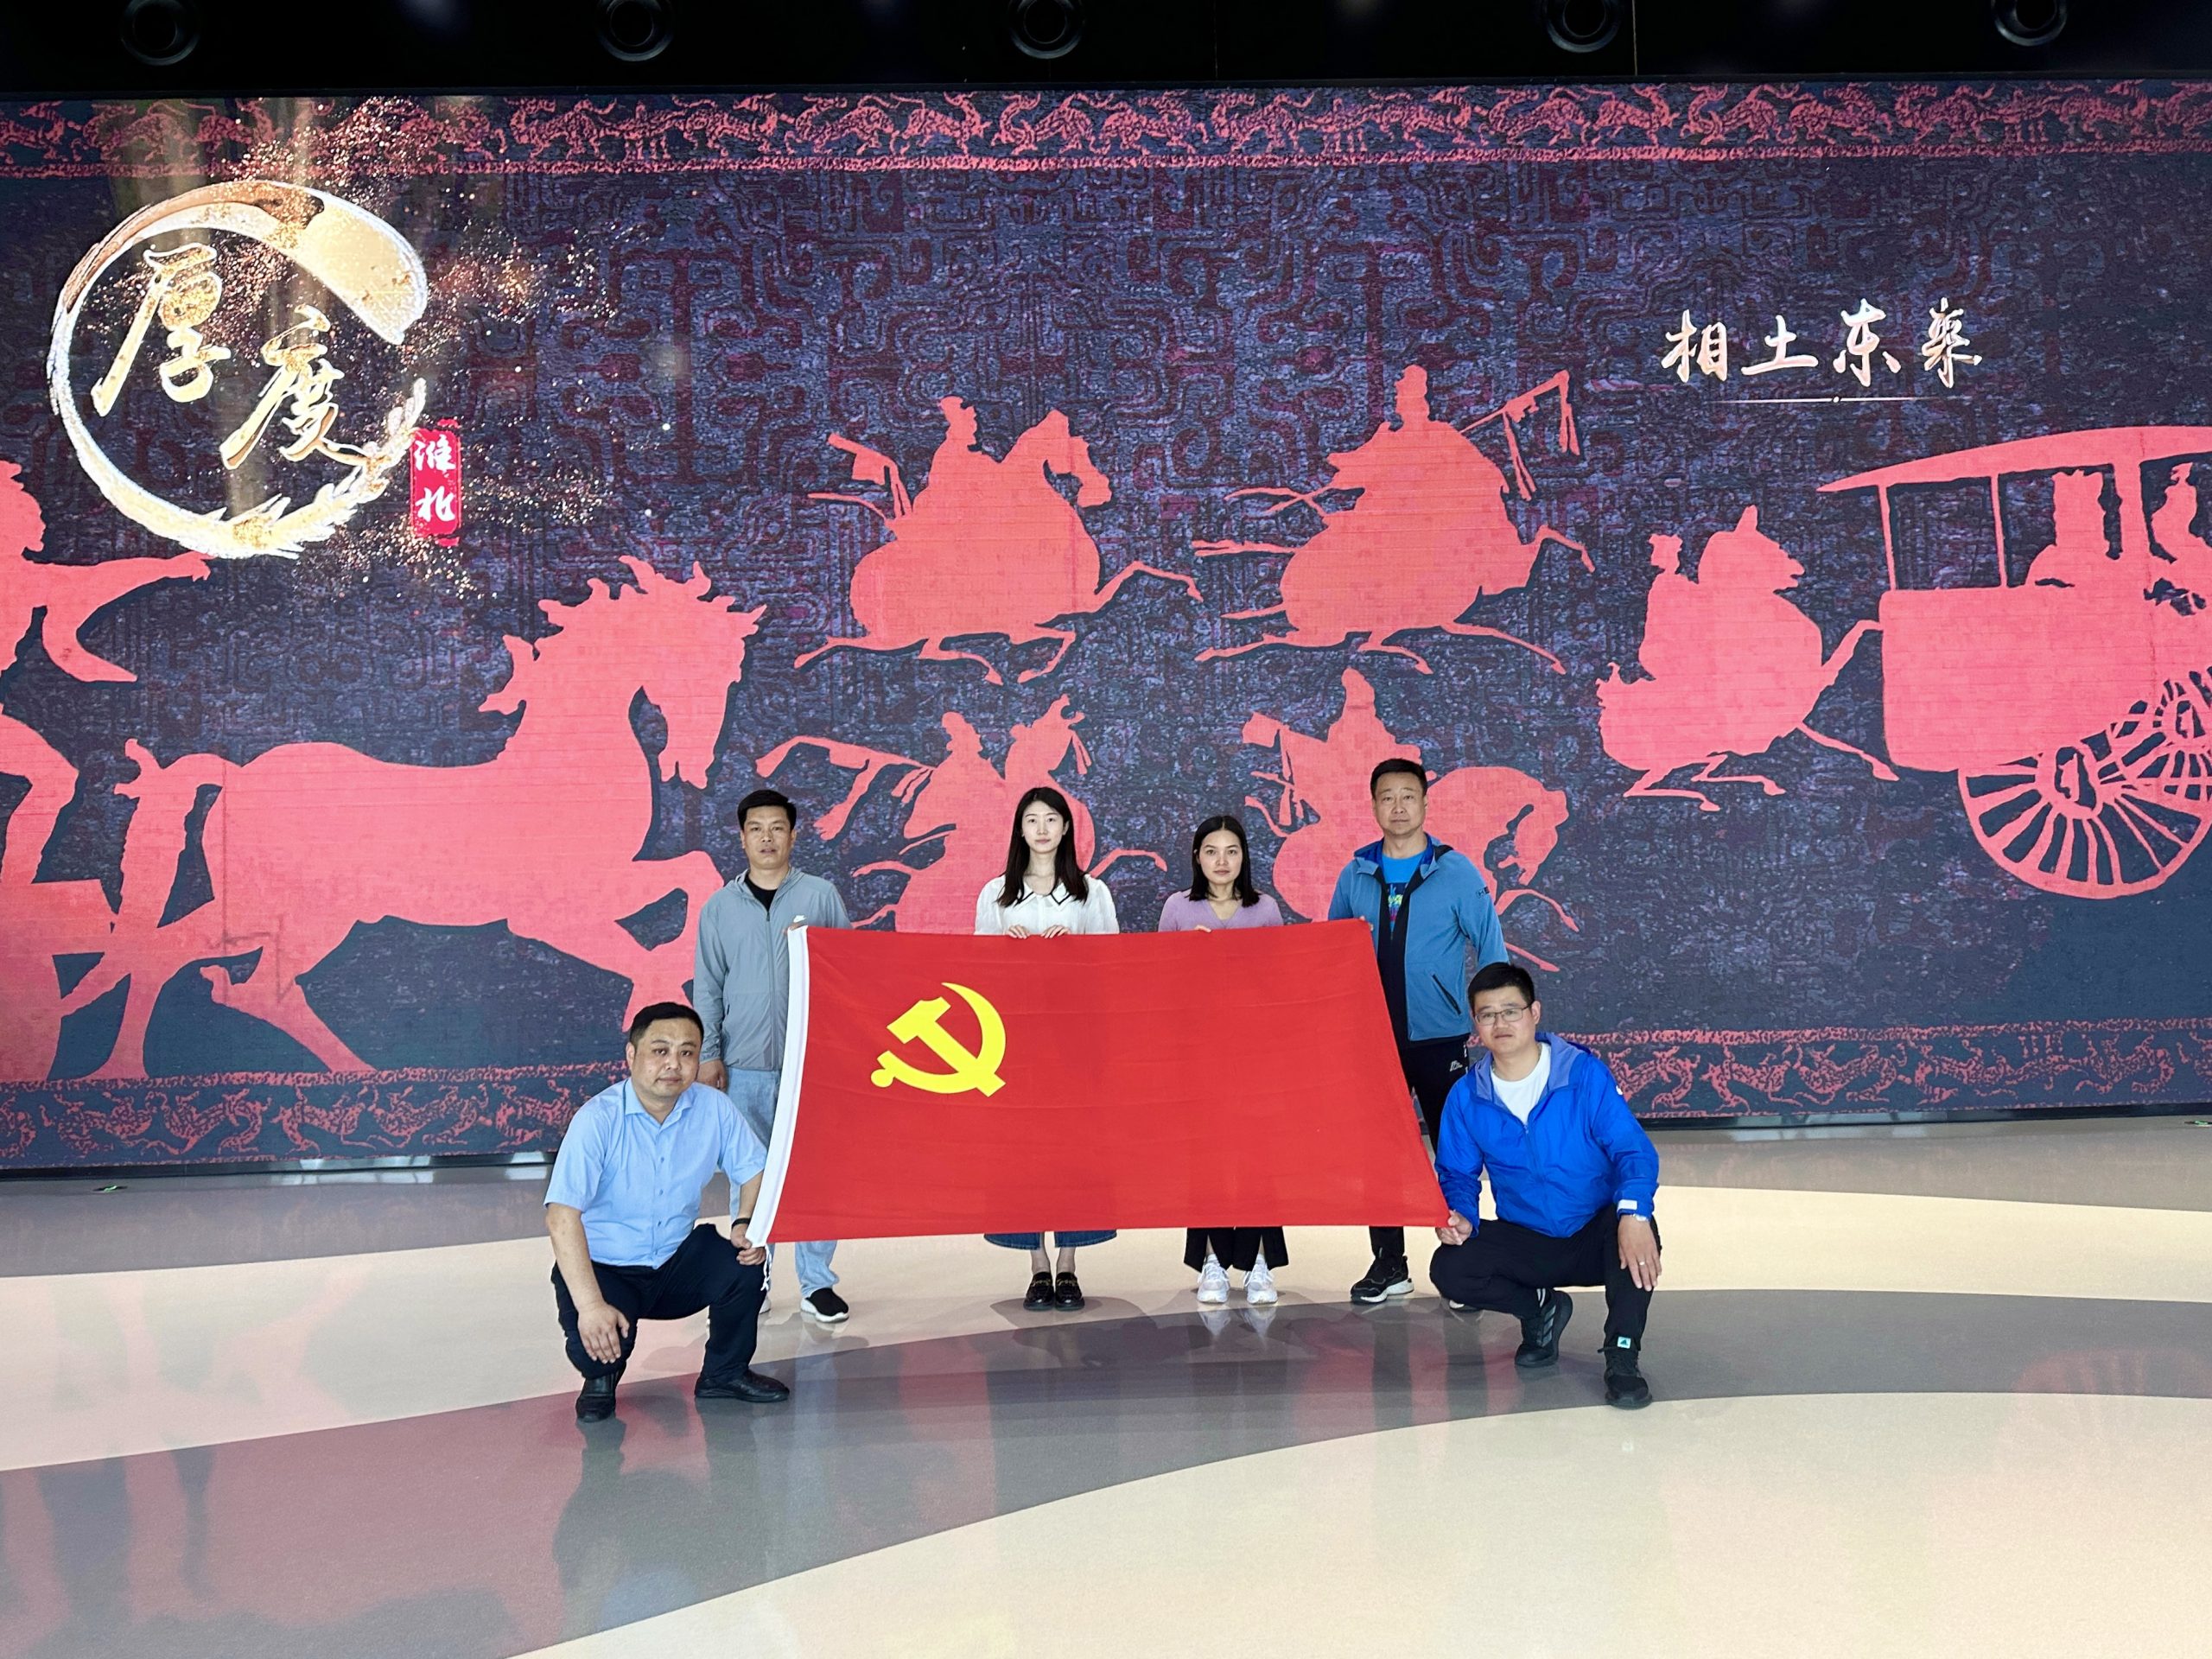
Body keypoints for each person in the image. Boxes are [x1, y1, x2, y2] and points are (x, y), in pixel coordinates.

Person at [1430, 963, 1662, 1409]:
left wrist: (1634, 1213)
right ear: (1475, 1023)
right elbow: (1457, 1174)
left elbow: (1632, 1150)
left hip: (1593, 1231)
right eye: (1487, 1014)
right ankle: (1541, 1309)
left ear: (1534, 1012)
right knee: (1450, 1268)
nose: (1500, 1023)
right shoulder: (1466, 1095)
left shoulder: (1582, 1075)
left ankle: (1622, 1355)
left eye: (1511, 1011)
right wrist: (1462, 1216)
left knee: (1638, 1232)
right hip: (1528, 1238)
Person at [544, 1001, 788, 1422]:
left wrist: (746, 1222)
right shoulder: (597, 1119)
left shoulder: (713, 1108)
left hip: (676, 1260)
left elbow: (756, 1171)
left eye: (687, 1052)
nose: (674, 1064)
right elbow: (561, 1216)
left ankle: (724, 1374)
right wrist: (590, 1305)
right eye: (660, 1051)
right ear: (631, 1055)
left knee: (744, 1265)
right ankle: (600, 1379)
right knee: (597, 1344)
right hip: (607, 1267)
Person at [1327, 756, 1506, 1305]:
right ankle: (1389, 1264)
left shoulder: (1456, 872)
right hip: (1372, 1041)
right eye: (1387, 797)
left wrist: (1497, 1021)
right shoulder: (1356, 873)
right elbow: (1331, 953)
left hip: (1439, 1038)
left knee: (1455, 1150)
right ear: (1373, 805)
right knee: (1380, 1152)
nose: (1398, 806)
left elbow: (1491, 947)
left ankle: (1463, 1265)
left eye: (1408, 795)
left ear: (1426, 803)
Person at [693, 787, 854, 1324]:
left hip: (812, 1065)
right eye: (756, 829)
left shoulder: (821, 897)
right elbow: (709, 985)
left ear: (793, 835)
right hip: (743, 1066)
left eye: (777, 828)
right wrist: (710, 1054)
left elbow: (848, 973)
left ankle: (817, 1284)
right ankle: (754, 1279)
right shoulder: (719, 908)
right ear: (742, 838)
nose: (767, 838)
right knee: (751, 1174)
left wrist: (841, 1050)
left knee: (818, 1174)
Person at [975, 784, 1118, 1310]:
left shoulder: (1091, 893)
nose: (1042, 829)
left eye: (1051, 819)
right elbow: (976, 972)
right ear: (1020, 828)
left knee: (1075, 1148)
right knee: (1023, 1150)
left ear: (1066, 828)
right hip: (1013, 1041)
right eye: (1032, 819)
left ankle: (1070, 1263)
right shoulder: (996, 893)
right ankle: (1036, 1263)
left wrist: (1075, 952)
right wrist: (1005, 953)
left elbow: (1112, 965)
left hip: (1075, 1040)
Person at [1157, 814, 1288, 1306]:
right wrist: (1188, 955)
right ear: (1197, 857)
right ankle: (1211, 1260)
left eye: (1232, 851)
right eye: (1211, 851)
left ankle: (1258, 1262)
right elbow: (1157, 979)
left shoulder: (1264, 909)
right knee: (1207, 1157)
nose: (1222, 861)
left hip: (1255, 1054)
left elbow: (1280, 979)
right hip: (1198, 1053)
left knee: (1257, 1157)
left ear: (1244, 857)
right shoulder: (1178, 908)